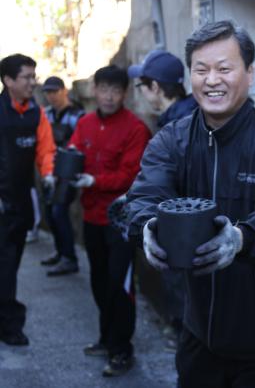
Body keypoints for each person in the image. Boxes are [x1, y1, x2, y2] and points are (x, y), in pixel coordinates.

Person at [126, 20, 255, 388]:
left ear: (249, 73)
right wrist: (146, 228)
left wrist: (242, 237)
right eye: (201, 70)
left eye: (225, 68)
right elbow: (145, 195)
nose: (212, 79)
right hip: (197, 331)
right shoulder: (172, 139)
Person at [69, 65, 150, 377]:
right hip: (91, 217)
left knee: (121, 286)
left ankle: (121, 349)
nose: (108, 95)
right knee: (99, 281)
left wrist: (94, 181)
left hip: (120, 221)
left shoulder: (135, 128)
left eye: (115, 90)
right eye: (103, 89)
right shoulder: (85, 123)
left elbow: (131, 175)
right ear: (94, 90)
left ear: (125, 93)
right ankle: (106, 338)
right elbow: (73, 152)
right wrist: (62, 167)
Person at [128, 49, 196, 351]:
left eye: (141, 86)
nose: (141, 93)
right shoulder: (183, 115)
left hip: (186, 231)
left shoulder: (178, 124)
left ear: (155, 87)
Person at [0, 53, 56, 346]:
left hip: (20, 203)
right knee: (5, 264)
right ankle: (9, 324)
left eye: (34, 76)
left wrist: (47, 173)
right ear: (8, 81)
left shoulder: (37, 113)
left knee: (10, 263)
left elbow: (45, 149)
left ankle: (7, 319)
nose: (33, 83)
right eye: (27, 77)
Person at [40, 76, 85, 276]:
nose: (51, 96)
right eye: (48, 92)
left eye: (55, 91)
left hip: (68, 173)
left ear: (64, 91)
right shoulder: (46, 115)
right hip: (49, 170)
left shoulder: (78, 115)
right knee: (50, 213)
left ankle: (69, 258)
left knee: (59, 212)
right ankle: (61, 252)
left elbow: (81, 145)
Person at [128, 49, 197, 128]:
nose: (142, 91)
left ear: (154, 87)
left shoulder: (178, 127)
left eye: (141, 84)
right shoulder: (193, 112)